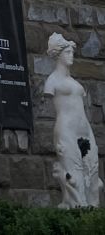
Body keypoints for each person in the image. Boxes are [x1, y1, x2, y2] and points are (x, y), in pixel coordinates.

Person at [44, 32, 102, 208]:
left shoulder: (74, 82)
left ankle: (92, 218)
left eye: (72, 52)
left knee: (93, 177)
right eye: (67, 52)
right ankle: (77, 214)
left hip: (85, 130)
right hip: (67, 130)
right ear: (59, 55)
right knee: (74, 177)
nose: (71, 56)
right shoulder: (52, 81)